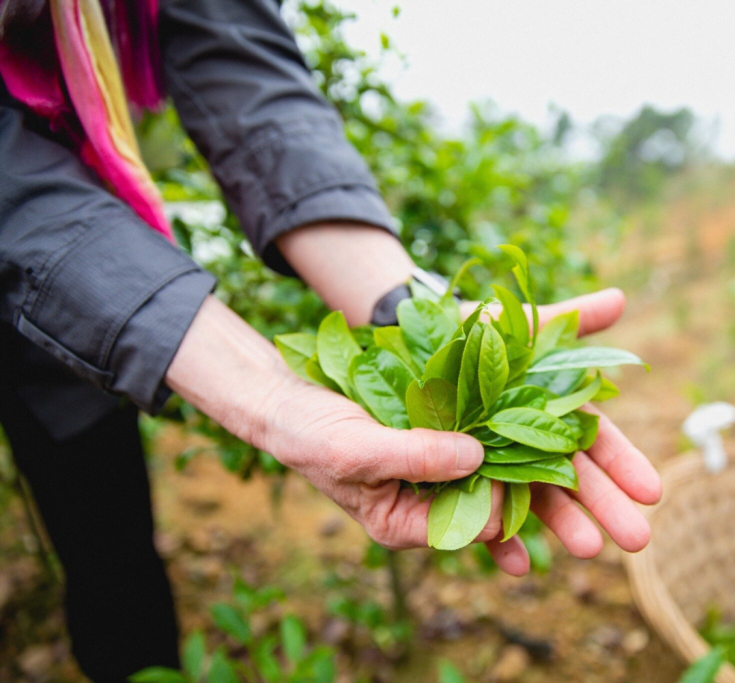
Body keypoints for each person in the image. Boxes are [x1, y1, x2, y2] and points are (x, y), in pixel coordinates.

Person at [0, 0, 662, 679]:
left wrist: (398, 297)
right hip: (45, 243)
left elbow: (234, 54)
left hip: (81, 298)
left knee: (107, 546)